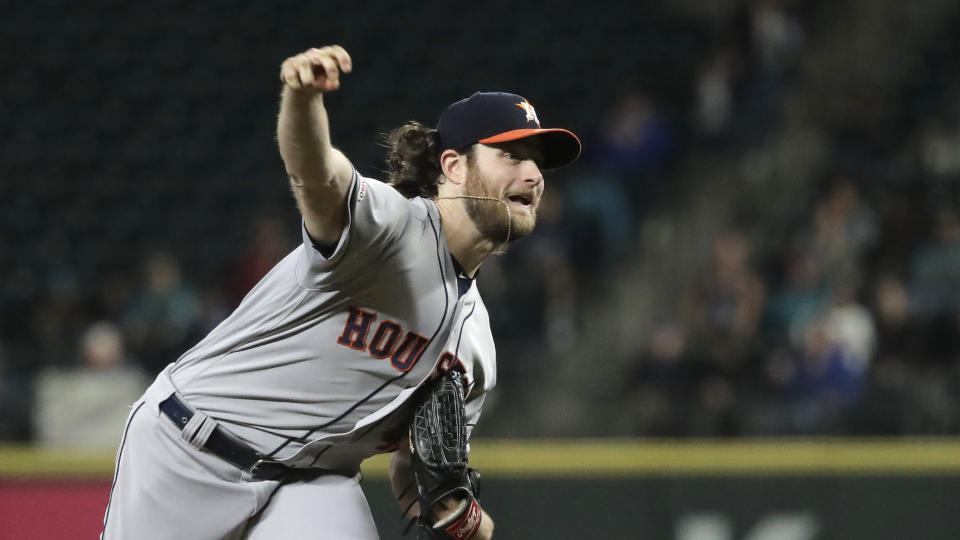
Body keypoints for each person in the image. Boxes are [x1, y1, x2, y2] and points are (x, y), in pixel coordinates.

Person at [100, 45, 580, 539]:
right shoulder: (389, 227)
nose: (534, 175)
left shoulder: (476, 349)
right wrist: (303, 100)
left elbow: (419, 471)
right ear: (454, 165)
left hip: (311, 482)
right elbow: (316, 175)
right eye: (512, 156)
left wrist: (456, 514)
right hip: (190, 447)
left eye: (538, 163)